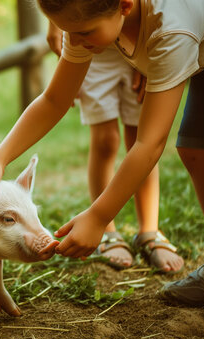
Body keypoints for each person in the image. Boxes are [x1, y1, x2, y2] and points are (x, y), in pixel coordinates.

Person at [0, 0, 204, 325]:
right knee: (196, 150)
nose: (73, 41)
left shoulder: (171, 28)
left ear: (124, 6)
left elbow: (149, 144)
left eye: (83, 33)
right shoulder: (85, 22)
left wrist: (99, 216)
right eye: (67, 32)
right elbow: (54, 100)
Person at [46, 21, 183, 273]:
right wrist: (56, 26)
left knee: (141, 137)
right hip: (92, 49)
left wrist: (146, 45)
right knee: (105, 141)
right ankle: (106, 232)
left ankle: (149, 231)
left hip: (137, 36)